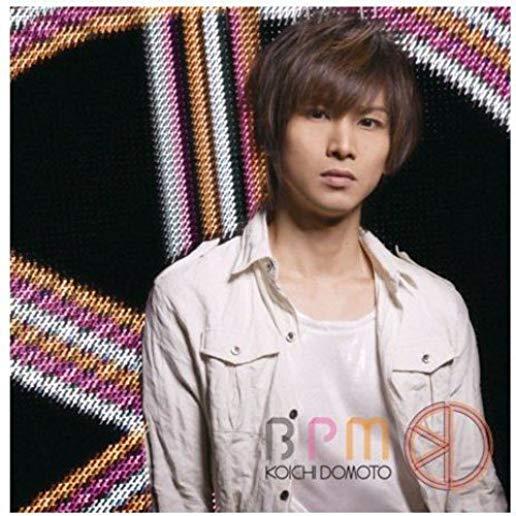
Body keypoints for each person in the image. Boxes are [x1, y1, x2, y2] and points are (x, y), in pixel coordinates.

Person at [141, 14, 507, 512]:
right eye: (317, 113)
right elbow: (181, 498)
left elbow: (470, 492)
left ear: (391, 145)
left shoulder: (436, 307)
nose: (343, 146)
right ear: (272, 128)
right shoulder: (191, 296)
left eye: (369, 122)